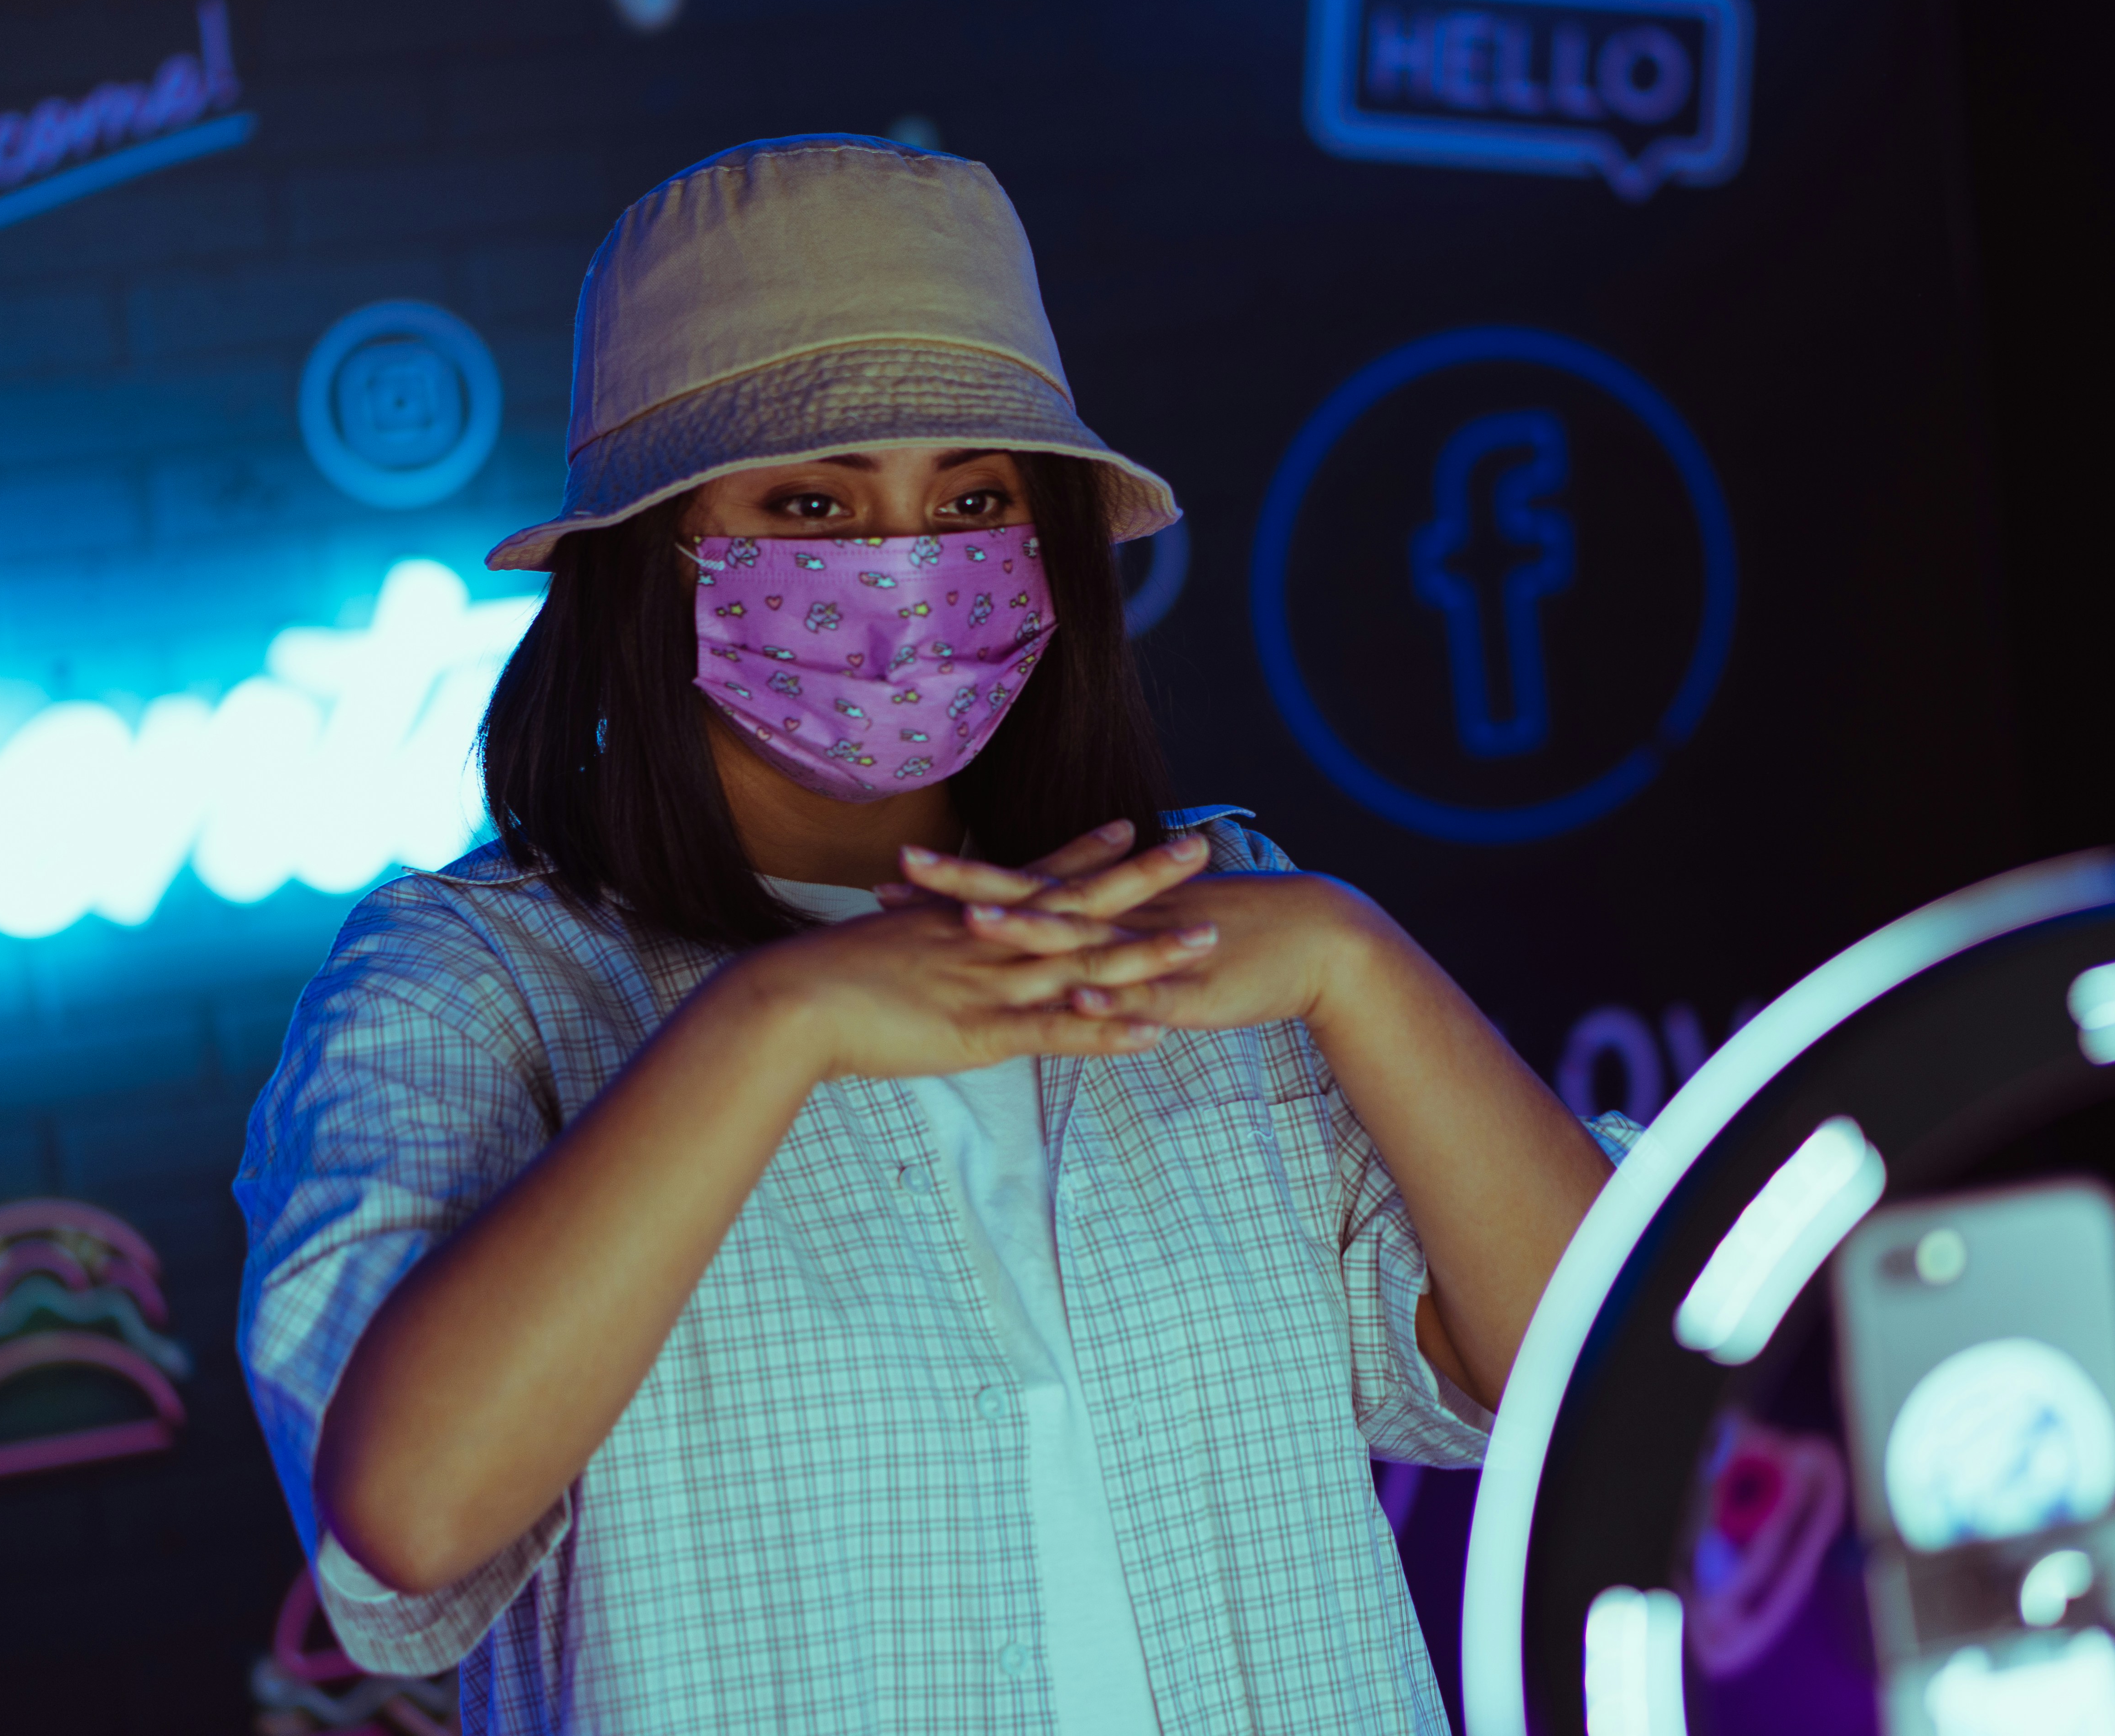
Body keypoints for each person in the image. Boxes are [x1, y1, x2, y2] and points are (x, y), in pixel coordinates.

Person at [236, 134, 1634, 1735]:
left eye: (970, 497)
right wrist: (780, 1024)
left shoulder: (1225, 921)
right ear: (647, 557)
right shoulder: (471, 984)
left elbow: (1587, 1365)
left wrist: (1353, 957)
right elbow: (408, 1517)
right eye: (813, 502)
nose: (899, 567)